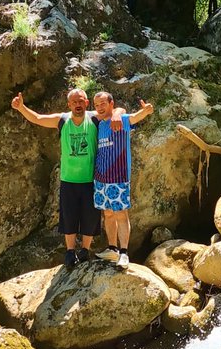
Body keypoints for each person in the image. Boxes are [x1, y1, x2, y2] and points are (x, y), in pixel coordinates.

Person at [10, 88, 123, 268]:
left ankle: (85, 250)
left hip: (90, 179)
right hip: (69, 179)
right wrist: (21, 108)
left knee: (90, 217)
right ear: (69, 104)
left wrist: (116, 115)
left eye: (81, 101)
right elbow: (38, 119)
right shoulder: (62, 120)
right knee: (69, 216)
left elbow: (118, 110)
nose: (78, 104)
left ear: (86, 103)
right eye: (74, 102)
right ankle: (70, 252)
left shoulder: (94, 118)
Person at [92, 91, 153, 269]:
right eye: (96, 105)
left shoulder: (122, 119)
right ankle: (112, 249)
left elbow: (135, 116)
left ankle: (124, 253)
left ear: (111, 104)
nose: (99, 108)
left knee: (120, 214)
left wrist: (146, 111)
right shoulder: (99, 124)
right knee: (108, 213)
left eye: (103, 103)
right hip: (101, 178)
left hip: (118, 177)